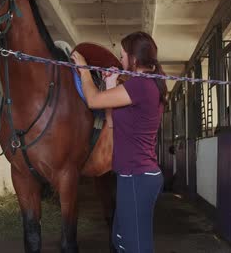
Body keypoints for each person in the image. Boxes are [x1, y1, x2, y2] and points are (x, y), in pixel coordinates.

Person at [71, 31, 166, 253]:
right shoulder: (143, 85)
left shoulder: (140, 86)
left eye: (123, 55)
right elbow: (112, 123)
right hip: (132, 175)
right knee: (120, 240)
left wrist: (84, 69)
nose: (120, 60)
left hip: (137, 177)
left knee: (136, 247)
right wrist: (111, 83)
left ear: (134, 58)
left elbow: (93, 101)